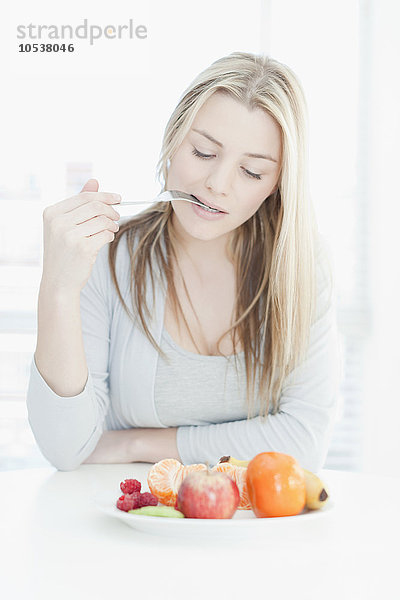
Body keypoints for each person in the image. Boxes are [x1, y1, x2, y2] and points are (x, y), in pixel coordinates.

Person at [27, 51, 342, 472]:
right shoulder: (108, 256)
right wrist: (59, 290)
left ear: (277, 186)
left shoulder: (303, 267)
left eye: (252, 172)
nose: (217, 184)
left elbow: (303, 444)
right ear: (174, 140)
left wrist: (133, 444)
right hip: (120, 528)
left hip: (251, 533)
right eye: (203, 152)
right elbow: (67, 449)